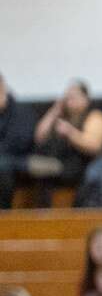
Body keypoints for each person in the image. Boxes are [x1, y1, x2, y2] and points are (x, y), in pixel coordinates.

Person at [22, 78, 102, 207]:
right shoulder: (61, 116)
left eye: (74, 97)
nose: (70, 101)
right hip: (58, 163)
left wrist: (70, 133)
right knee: (41, 172)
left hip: (84, 163)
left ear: (85, 99)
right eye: (67, 97)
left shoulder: (95, 116)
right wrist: (54, 111)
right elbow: (39, 137)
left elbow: (94, 146)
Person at [0, 69, 37, 209]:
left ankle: (3, 213)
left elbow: (22, 142)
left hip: (18, 157)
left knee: (2, 165)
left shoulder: (21, 111)